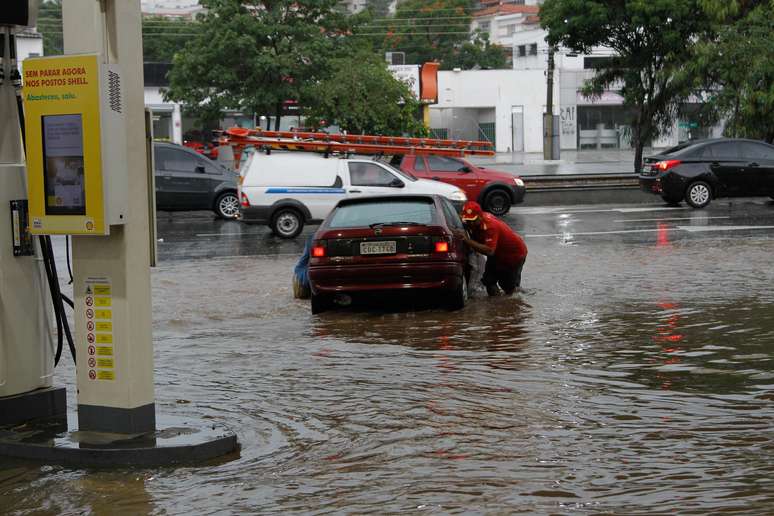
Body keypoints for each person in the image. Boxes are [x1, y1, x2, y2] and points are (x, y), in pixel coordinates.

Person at [453, 201, 528, 296]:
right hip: (497, 255)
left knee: (509, 289)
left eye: (473, 220)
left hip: (514, 255)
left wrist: (467, 240)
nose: (470, 223)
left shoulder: (490, 227)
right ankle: (496, 304)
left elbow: (489, 251)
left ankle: (514, 302)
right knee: (488, 281)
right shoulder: (470, 221)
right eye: (467, 220)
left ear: (480, 217)